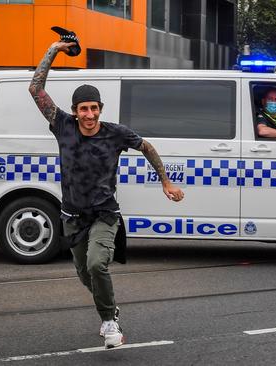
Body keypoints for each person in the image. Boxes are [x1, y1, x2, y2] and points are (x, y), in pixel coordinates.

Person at [29, 40, 185, 348]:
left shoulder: (115, 133)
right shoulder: (62, 125)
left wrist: (165, 181)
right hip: (72, 217)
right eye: (84, 109)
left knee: (96, 265)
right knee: (85, 275)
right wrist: (54, 49)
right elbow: (36, 89)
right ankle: (110, 309)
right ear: (74, 112)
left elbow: (147, 147)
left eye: (94, 108)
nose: (89, 114)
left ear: (100, 109)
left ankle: (109, 322)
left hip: (104, 214)